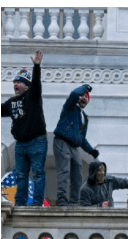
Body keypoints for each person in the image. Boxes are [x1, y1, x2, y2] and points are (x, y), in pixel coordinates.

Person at [2, 51, 47, 207]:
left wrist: (36, 66)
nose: (15, 85)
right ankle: (19, 204)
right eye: (14, 82)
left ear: (26, 85)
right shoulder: (11, 102)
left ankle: (36, 204)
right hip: (21, 144)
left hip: (37, 141)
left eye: (19, 82)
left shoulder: (33, 96)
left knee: (38, 173)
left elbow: (36, 83)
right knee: (21, 175)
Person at [53, 83, 98, 206]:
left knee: (77, 172)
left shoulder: (84, 117)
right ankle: (62, 199)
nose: (84, 98)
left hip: (74, 146)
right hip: (61, 141)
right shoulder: (70, 106)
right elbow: (74, 94)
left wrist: (91, 150)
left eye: (86, 97)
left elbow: (82, 138)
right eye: (83, 96)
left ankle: (74, 201)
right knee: (64, 171)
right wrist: (86, 87)